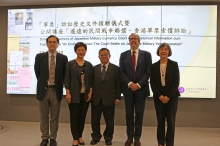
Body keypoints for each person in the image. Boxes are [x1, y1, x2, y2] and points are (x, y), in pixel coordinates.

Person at [34, 35, 68, 146]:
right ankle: (44, 138)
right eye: (50, 42)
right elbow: (37, 73)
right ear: (47, 44)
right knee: (43, 116)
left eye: (54, 42)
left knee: (55, 116)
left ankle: (53, 137)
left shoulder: (63, 58)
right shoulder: (39, 57)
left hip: (56, 90)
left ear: (58, 44)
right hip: (43, 90)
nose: (52, 44)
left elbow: (64, 75)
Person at [119, 33, 152, 146]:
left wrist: (138, 85)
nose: (133, 40)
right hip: (128, 90)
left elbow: (148, 72)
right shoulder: (123, 55)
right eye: (131, 39)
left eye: (135, 39)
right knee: (128, 115)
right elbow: (121, 72)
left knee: (139, 115)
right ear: (129, 41)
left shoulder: (147, 55)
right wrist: (129, 83)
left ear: (139, 41)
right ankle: (129, 137)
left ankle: (137, 138)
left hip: (141, 90)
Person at [150, 43, 180, 146]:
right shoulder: (153, 66)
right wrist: (160, 96)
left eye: (166, 49)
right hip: (158, 98)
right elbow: (152, 82)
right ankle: (161, 142)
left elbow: (176, 82)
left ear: (169, 52)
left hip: (172, 98)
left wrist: (168, 96)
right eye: (161, 49)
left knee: (171, 122)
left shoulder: (174, 64)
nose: (163, 51)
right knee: (160, 121)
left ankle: (170, 143)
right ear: (158, 51)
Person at [90, 48, 121, 146]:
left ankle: (108, 137)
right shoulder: (94, 69)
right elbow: (91, 83)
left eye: (105, 55)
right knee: (95, 120)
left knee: (109, 121)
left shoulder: (116, 69)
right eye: (101, 55)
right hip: (96, 99)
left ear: (109, 56)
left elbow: (118, 85)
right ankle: (95, 136)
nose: (103, 57)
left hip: (110, 99)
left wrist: (117, 97)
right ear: (99, 57)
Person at [65, 42, 93, 146]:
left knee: (82, 117)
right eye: (79, 50)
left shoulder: (89, 65)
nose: (81, 52)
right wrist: (67, 93)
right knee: (74, 117)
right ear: (75, 51)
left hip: (85, 95)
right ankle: (75, 138)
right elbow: (67, 80)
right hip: (73, 95)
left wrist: (90, 92)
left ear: (85, 51)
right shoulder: (70, 64)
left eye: (83, 50)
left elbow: (91, 81)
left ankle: (80, 136)